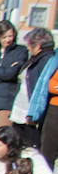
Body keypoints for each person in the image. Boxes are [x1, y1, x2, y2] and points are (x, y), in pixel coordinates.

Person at [22, 29, 58, 162]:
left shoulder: (47, 58)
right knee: (47, 151)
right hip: (53, 109)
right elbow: (47, 84)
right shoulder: (54, 59)